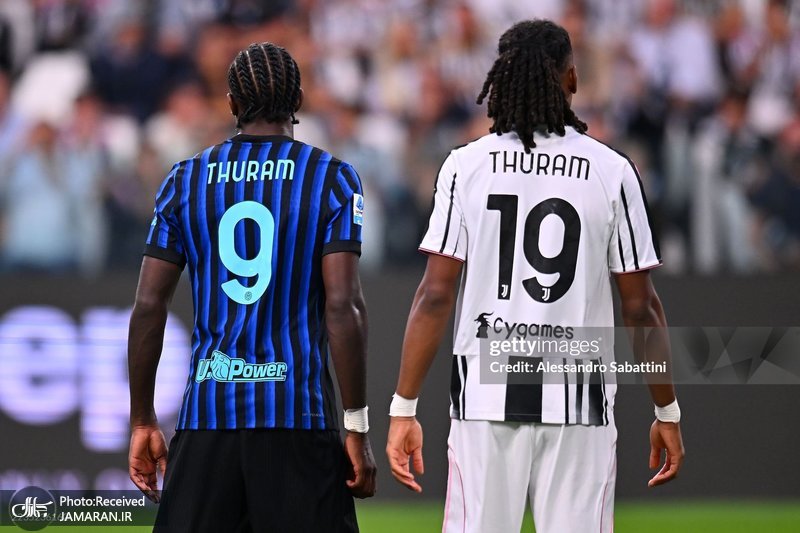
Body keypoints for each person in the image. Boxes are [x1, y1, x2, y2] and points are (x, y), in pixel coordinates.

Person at [386, 20, 684, 533]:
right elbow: (640, 307)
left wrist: (403, 406)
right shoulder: (611, 171)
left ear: (500, 81)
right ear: (572, 79)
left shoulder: (465, 167)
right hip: (580, 394)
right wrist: (667, 411)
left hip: (485, 393)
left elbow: (434, 296)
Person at [127, 42, 376, 533]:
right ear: (298, 99)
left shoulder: (185, 180)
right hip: (297, 415)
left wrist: (142, 419)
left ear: (232, 103)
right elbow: (343, 306)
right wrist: (356, 425)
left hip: (207, 417)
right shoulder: (331, 179)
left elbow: (149, 305)